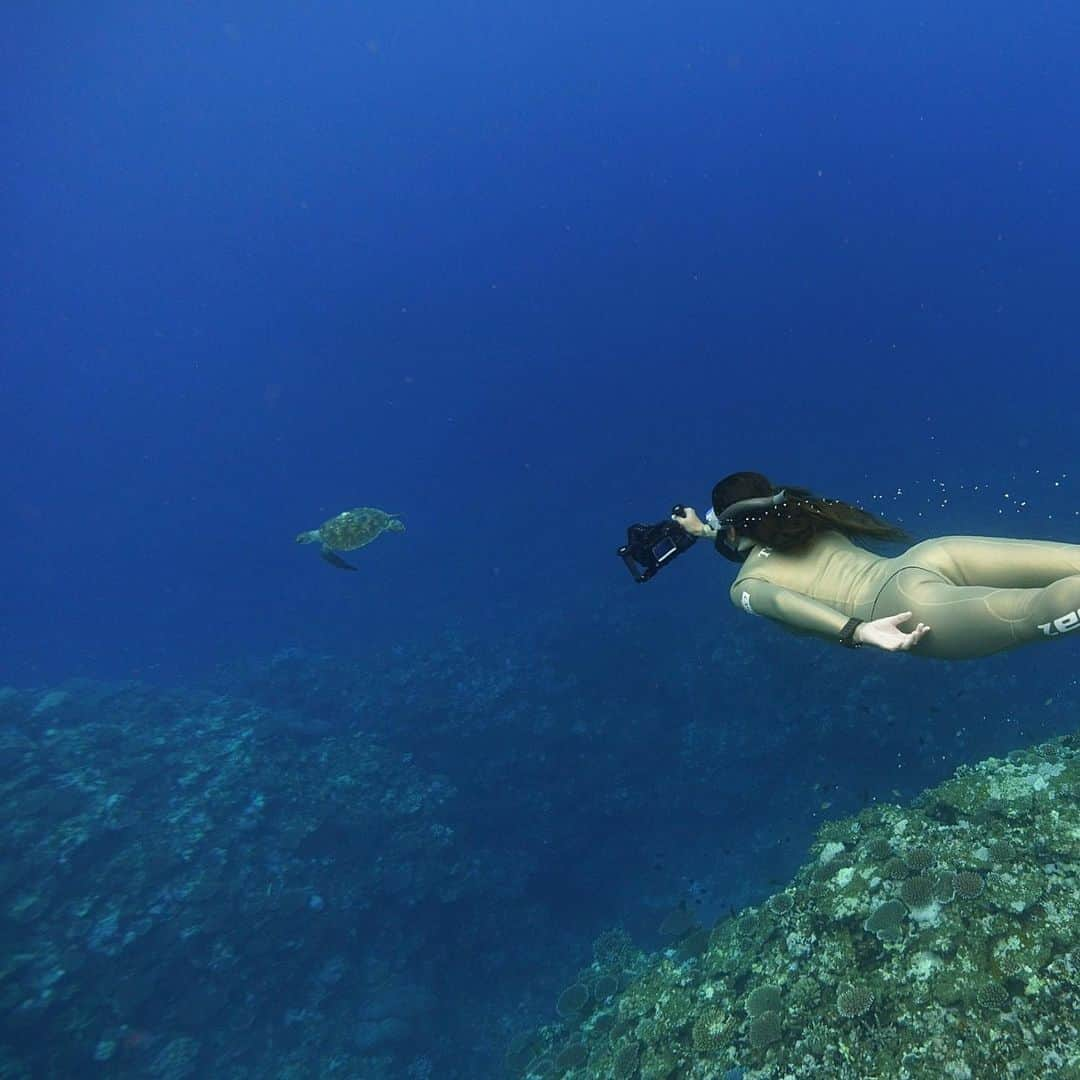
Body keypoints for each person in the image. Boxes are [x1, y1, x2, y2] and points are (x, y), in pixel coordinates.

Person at [673, 471, 1080, 660]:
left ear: (731, 530)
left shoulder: (746, 582)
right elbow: (749, 521)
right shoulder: (802, 517)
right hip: (931, 556)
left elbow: (777, 602)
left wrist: (857, 630)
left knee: (1035, 612)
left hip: (901, 608)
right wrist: (704, 529)